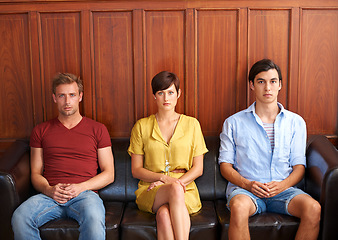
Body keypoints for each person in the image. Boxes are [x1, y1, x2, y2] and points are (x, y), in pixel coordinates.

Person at [218, 59, 321, 240]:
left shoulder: (296, 122)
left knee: (314, 208)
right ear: (251, 85)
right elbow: (225, 166)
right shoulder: (233, 123)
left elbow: (299, 167)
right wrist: (248, 184)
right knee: (238, 208)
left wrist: (282, 185)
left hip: (284, 189)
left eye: (273, 81)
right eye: (261, 81)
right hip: (247, 190)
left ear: (280, 85)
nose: (268, 88)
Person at [11, 73, 115, 240]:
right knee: (20, 217)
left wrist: (81, 187)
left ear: (80, 97)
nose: (67, 101)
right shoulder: (40, 131)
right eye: (62, 96)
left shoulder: (98, 129)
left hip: (85, 195)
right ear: (54, 98)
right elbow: (36, 173)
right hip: (49, 196)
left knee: (94, 219)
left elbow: (109, 174)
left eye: (72, 95)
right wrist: (49, 190)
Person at [128, 71, 208, 240]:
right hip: (151, 188)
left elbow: (198, 168)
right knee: (174, 189)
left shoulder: (192, 124)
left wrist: (175, 183)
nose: (166, 98)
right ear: (154, 96)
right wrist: (163, 179)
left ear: (178, 94)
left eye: (171, 92)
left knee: (164, 214)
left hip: (186, 188)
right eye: (161, 93)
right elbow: (136, 170)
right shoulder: (141, 126)